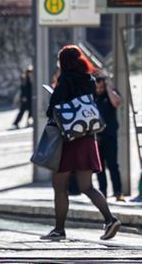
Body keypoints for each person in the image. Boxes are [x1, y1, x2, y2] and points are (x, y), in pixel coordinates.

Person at [41, 45, 119, 241]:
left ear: (63, 62)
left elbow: (52, 110)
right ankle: (110, 219)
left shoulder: (65, 80)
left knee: (59, 186)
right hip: (86, 137)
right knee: (87, 186)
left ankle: (59, 229)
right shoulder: (89, 80)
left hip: (68, 140)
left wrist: (55, 92)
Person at [94, 76, 125, 201]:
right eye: (98, 87)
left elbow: (117, 102)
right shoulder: (92, 96)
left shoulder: (110, 93)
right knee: (99, 167)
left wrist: (108, 88)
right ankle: (102, 192)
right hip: (96, 136)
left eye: (102, 87)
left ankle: (118, 192)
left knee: (113, 165)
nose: (99, 90)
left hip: (110, 135)